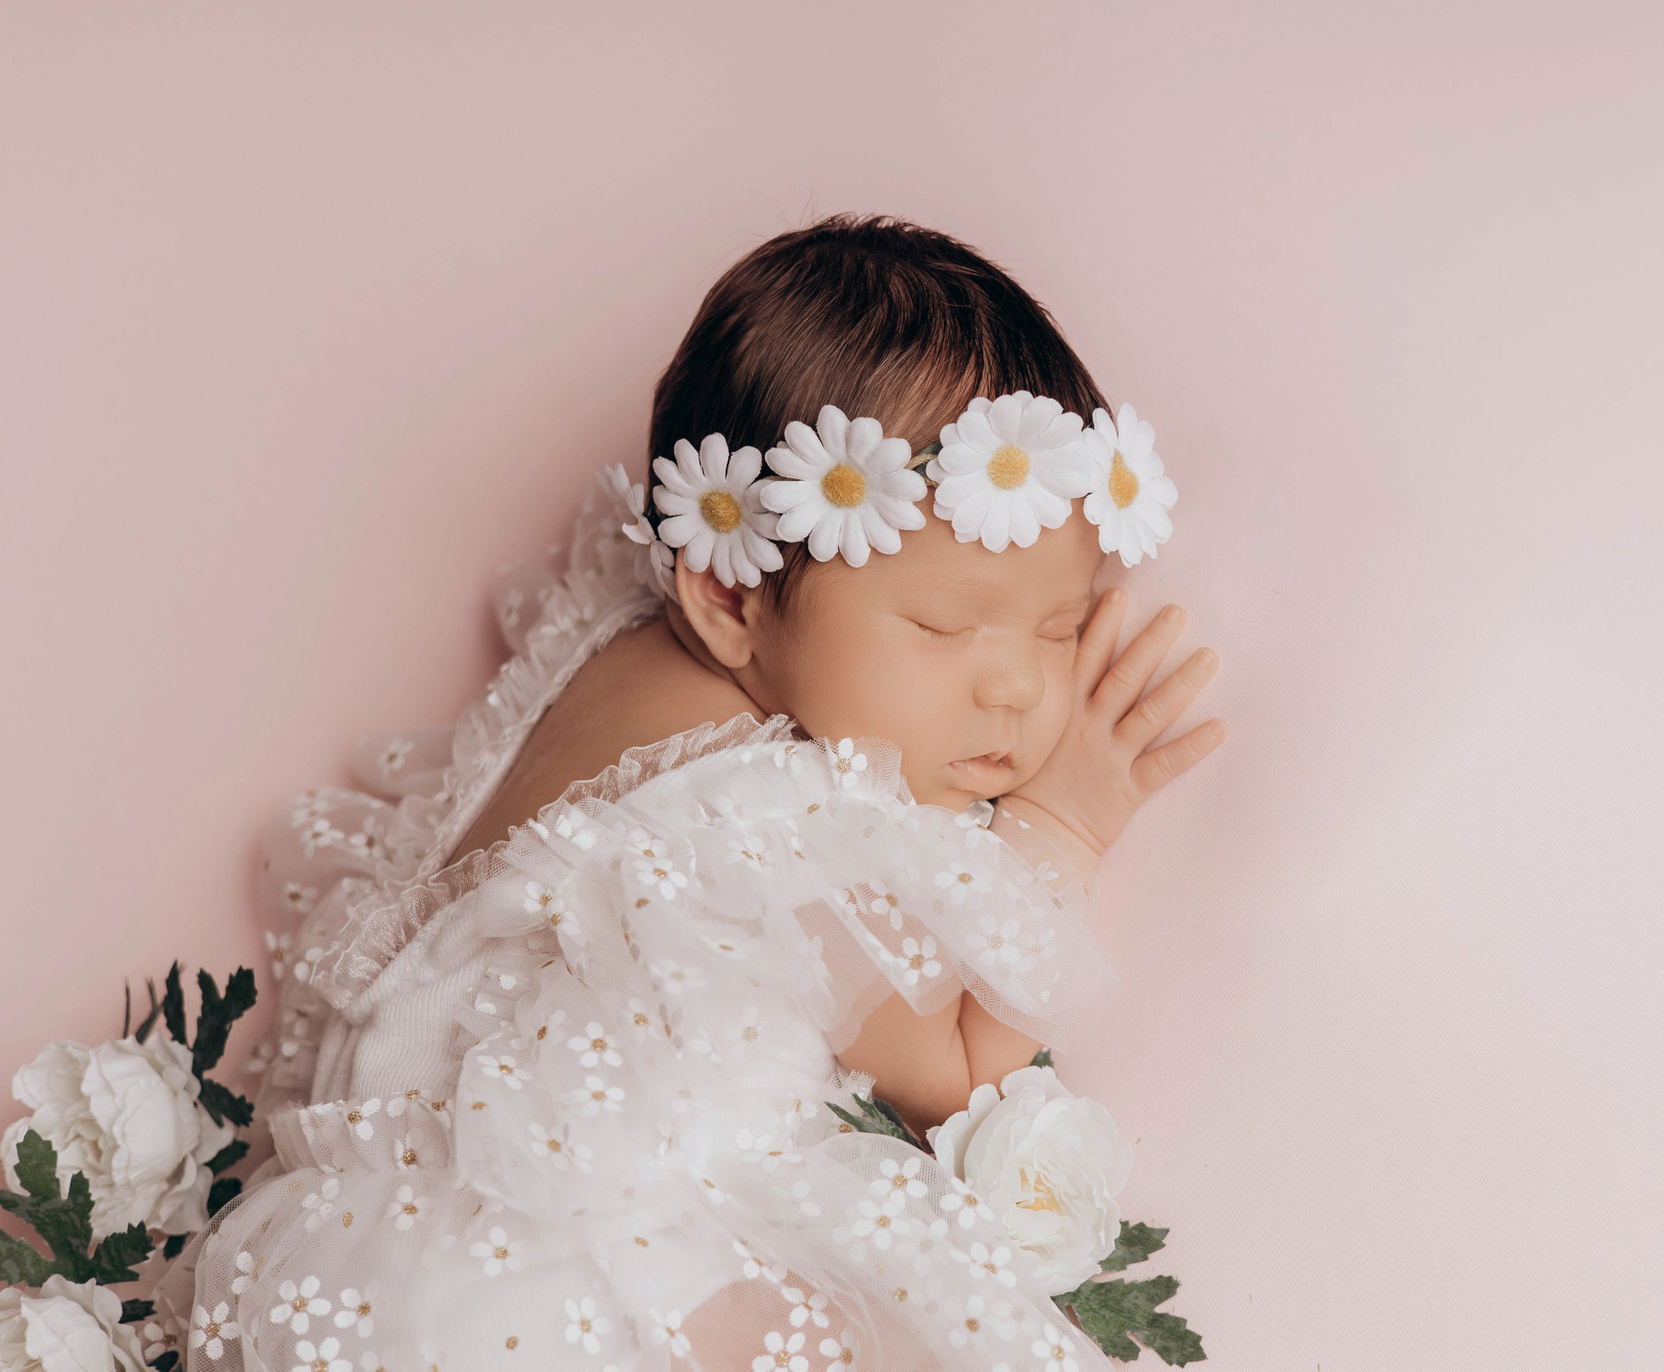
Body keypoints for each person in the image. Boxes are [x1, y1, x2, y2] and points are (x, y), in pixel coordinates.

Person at [158, 215, 1223, 1371]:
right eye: (943, 625)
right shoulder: (758, 818)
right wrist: (1065, 821)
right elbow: (960, 1075)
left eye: (1059, 627)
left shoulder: (615, 646)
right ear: (728, 596)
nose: (1017, 684)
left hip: (370, 1243)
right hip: (546, 1267)